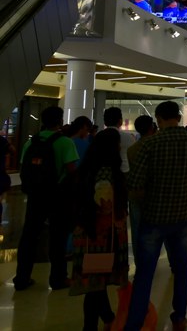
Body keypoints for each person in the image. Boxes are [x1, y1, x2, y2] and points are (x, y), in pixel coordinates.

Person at [124, 101, 187, 331]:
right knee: (182, 268)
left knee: (145, 272)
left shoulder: (150, 143)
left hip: (154, 216)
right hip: (182, 216)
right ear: (179, 118)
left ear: (159, 118)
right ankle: (179, 316)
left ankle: (134, 323)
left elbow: (135, 182)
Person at [69, 129, 129, 331]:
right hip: (101, 236)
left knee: (96, 282)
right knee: (95, 283)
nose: (119, 147)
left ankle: (108, 317)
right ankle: (90, 326)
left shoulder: (86, 170)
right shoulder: (107, 173)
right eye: (117, 143)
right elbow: (106, 206)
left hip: (86, 233)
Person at [14, 106, 78, 291]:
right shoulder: (65, 142)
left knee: (29, 236)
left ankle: (22, 278)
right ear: (60, 121)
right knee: (58, 238)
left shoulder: (31, 142)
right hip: (57, 196)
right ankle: (58, 279)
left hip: (35, 196)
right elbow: (71, 169)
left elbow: (24, 167)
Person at [127, 115, 156, 266]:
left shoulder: (132, 149)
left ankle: (140, 262)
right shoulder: (157, 146)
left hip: (136, 194)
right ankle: (152, 259)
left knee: (137, 229)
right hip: (155, 194)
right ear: (152, 127)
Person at [103, 107, 135, 173]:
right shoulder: (129, 137)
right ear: (120, 121)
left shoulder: (98, 136)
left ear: (105, 122)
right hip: (124, 170)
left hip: (104, 173)